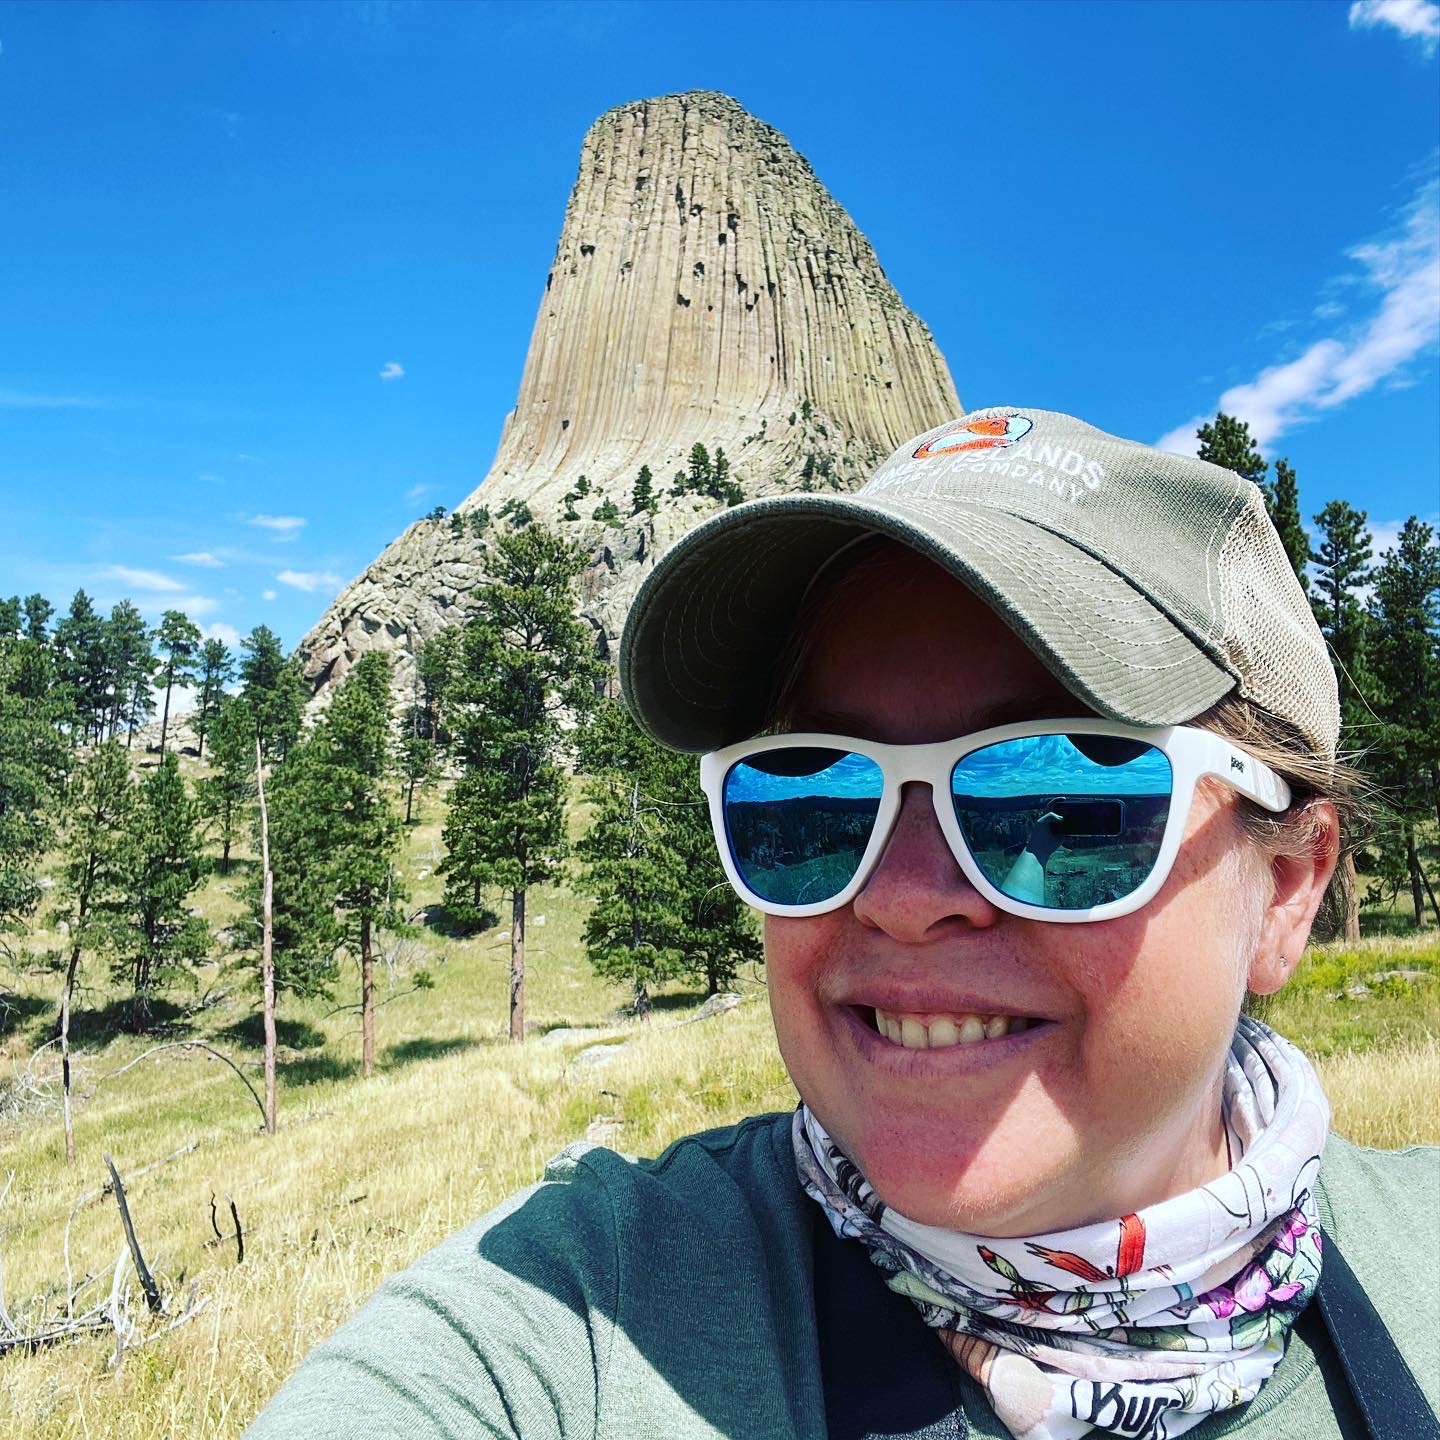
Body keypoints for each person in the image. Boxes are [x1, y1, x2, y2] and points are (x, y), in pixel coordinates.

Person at [247, 408, 1437, 1440]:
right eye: (811, 793)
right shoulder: (583, 1309)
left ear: (1289, 888)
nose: (904, 895)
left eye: (1065, 797)